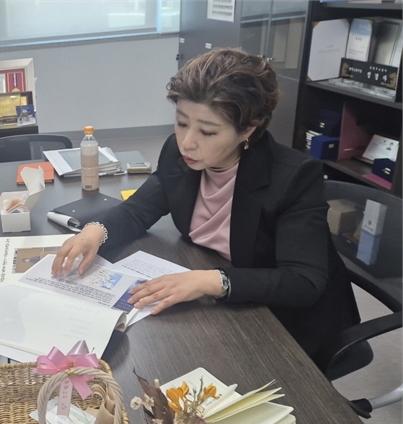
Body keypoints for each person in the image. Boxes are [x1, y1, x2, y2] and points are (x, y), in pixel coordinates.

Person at [52, 48, 360, 359]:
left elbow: (302, 282)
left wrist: (212, 280)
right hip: (220, 305)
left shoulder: (293, 177)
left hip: (285, 322)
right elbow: (138, 209)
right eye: (181, 123)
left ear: (248, 129)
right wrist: (96, 231)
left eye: (207, 131)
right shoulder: (179, 152)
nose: (187, 142)